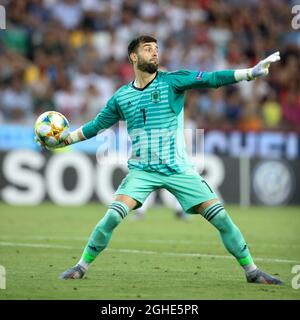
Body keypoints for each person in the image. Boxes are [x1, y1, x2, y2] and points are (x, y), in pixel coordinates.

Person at [36, 35, 282, 284]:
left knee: (220, 218)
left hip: (178, 169)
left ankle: (252, 271)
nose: (155, 53)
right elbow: (96, 126)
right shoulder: (121, 97)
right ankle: (81, 267)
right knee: (112, 216)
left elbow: (212, 79)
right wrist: (63, 141)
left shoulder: (172, 81)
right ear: (133, 56)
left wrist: (249, 73)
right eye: (147, 49)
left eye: (156, 49)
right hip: (142, 171)